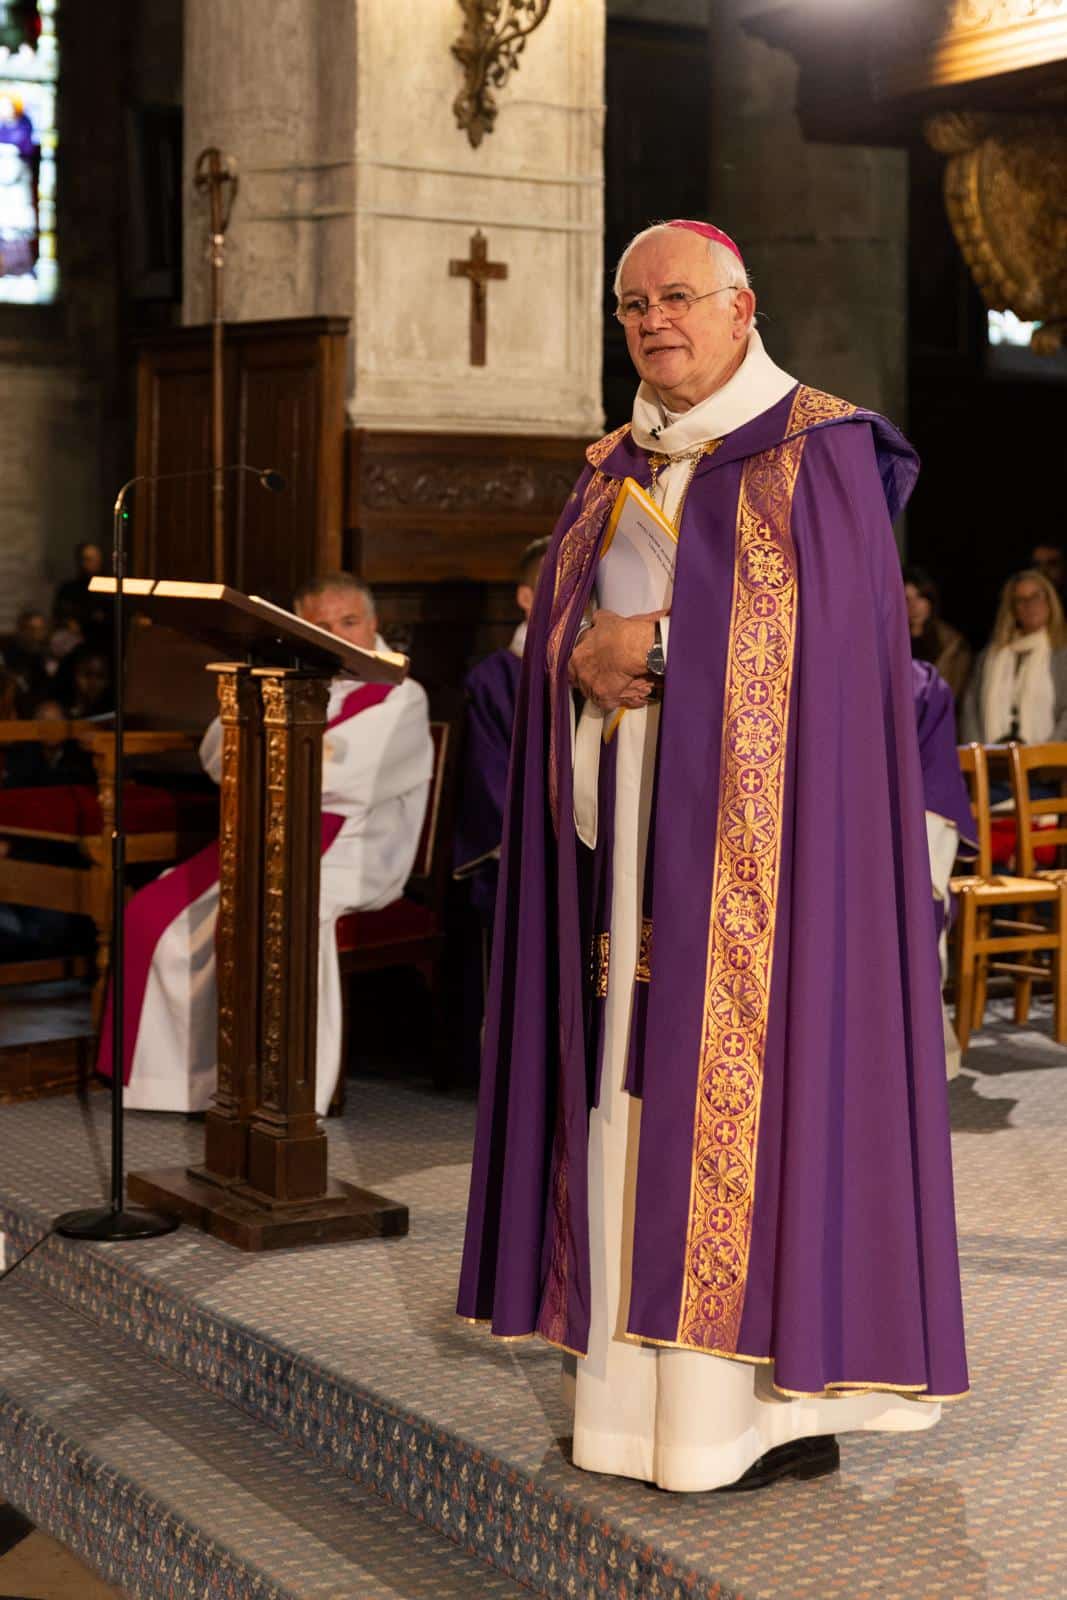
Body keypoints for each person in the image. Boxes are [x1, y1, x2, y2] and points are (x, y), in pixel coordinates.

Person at [457, 219, 968, 1493]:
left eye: (675, 298)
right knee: (629, 1099)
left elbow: (844, 664)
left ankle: (754, 1417)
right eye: (630, 306)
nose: (650, 323)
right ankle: (635, 1411)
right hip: (626, 862)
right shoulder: (613, 466)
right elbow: (571, 630)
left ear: (742, 309)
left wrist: (666, 651)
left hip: (774, 886)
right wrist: (583, 649)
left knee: (764, 1107)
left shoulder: (824, 451)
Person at [97, 572, 433, 1116]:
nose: (338, 634)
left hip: (357, 847)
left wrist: (266, 755)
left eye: (349, 622)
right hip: (271, 832)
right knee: (155, 915)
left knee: (281, 912)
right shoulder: (286, 678)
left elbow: (342, 777)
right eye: (321, 626)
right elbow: (216, 755)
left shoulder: (403, 695)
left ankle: (285, 1087)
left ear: (374, 624)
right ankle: (179, 1080)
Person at [453, 535, 551, 921]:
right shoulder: (493, 681)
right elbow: (486, 784)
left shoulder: (609, 674)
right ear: (526, 598)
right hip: (523, 857)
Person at [960, 569, 1067, 746]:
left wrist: (1045, 753)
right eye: (1021, 600)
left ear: (1050, 601)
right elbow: (970, 710)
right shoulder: (990, 656)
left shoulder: (1062, 653)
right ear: (1012, 609)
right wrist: (979, 755)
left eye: (1036, 597)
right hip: (992, 762)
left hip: (1048, 763)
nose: (1029, 605)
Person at [903, 566, 972, 704]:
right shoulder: (888, 643)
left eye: (920, 597)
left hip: (937, 720)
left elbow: (955, 692)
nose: (914, 606)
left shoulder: (952, 644)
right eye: (906, 599)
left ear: (930, 600)